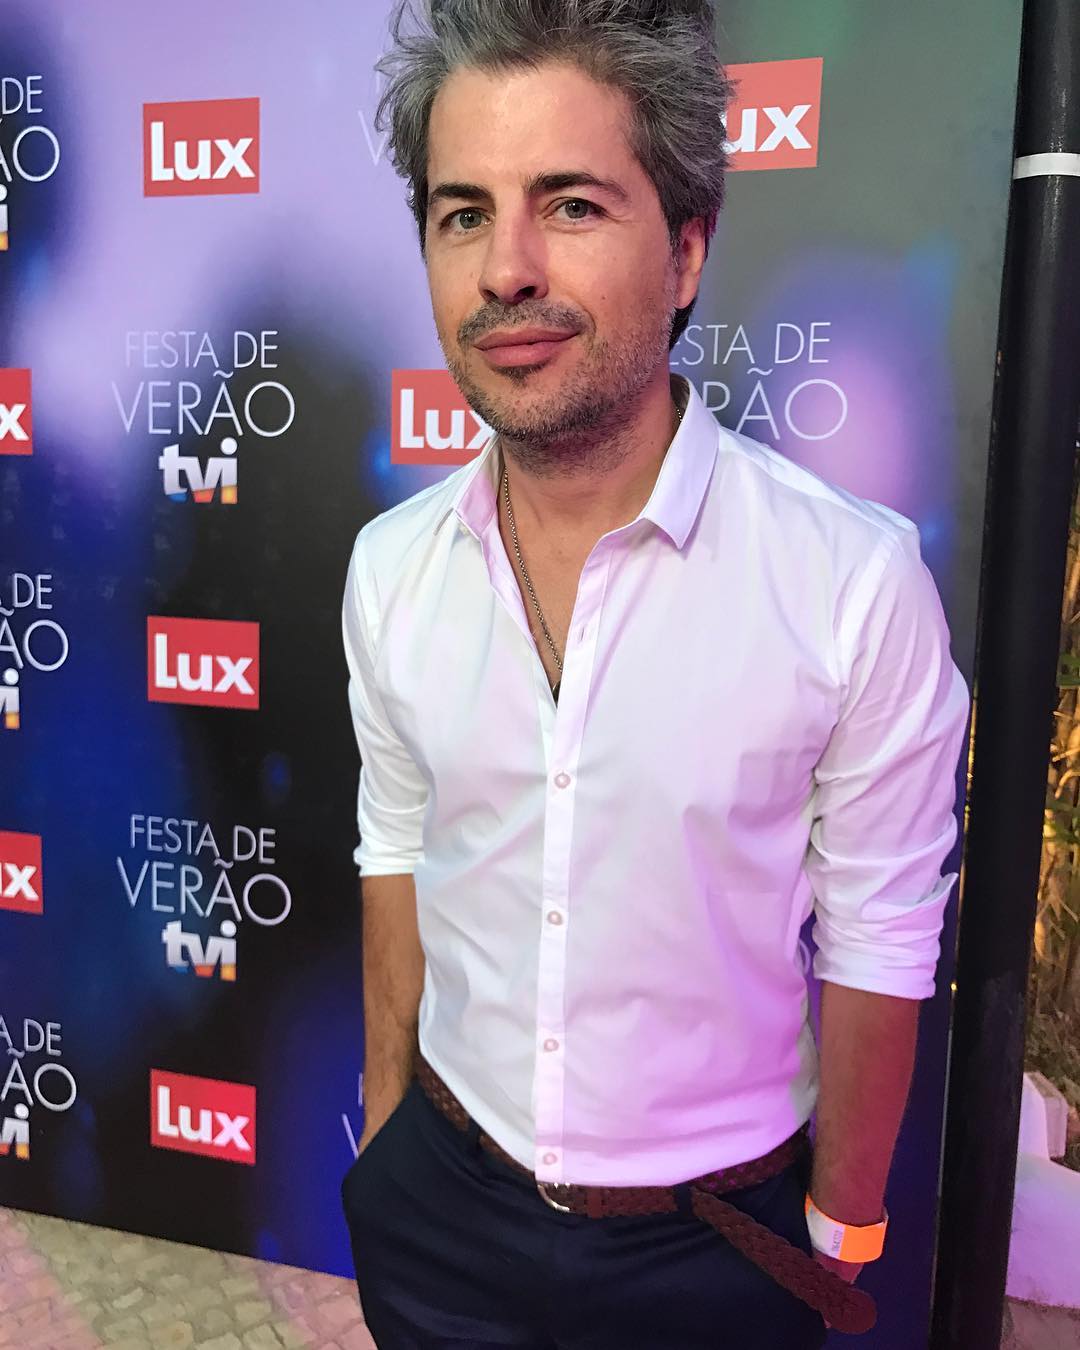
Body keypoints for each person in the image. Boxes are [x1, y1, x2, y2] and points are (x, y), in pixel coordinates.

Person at [339, 2, 972, 1346]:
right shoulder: (391, 570)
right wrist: (386, 1142)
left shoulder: (850, 586)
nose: (505, 269)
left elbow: (881, 938)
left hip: (719, 1246)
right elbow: (394, 847)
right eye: (462, 214)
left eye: (569, 205)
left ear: (687, 251)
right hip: (437, 1201)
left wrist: (839, 1237)